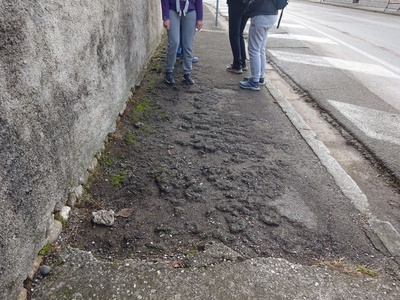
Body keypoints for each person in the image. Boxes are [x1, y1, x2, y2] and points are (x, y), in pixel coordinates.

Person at [161, 0, 203, 85]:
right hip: (172, 10)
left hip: (190, 10)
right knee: (174, 42)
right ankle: (169, 71)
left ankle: (187, 72)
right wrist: (166, 17)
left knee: (188, 44)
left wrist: (200, 18)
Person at [239, 0, 277, 91]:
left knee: (254, 49)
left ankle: (254, 81)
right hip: (273, 14)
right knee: (260, 49)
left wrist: (247, 11)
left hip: (261, 16)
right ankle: (260, 77)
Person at [226, 0, 249, 74]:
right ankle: (242, 62)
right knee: (239, 33)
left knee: (234, 33)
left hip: (236, 3)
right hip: (247, 4)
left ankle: (237, 65)